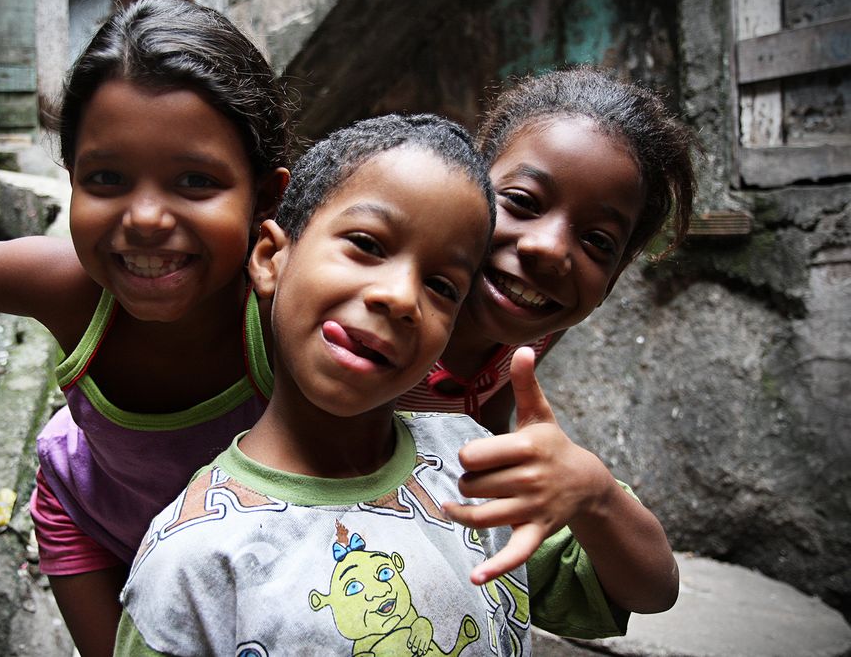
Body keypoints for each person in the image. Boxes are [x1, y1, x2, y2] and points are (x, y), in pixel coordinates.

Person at [114, 114, 677, 656]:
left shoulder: (469, 471)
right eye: (367, 244)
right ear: (269, 257)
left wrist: (595, 492)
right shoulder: (194, 556)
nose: (401, 297)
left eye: (440, 285)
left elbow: (652, 589)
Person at [0, 0, 291, 655]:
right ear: (71, 181)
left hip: (249, 547)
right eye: (107, 178)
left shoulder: (292, 308)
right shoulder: (66, 286)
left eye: (195, 181)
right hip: (96, 528)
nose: (144, 216)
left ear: (264, 197)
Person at [394, 67, 696, 616]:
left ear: (612, 280)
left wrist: (593, 489)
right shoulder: (368, 314)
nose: (551, 250)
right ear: (466, 183)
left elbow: (656, 589)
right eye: (522, 201)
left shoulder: (530, 334)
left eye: (598, 242)